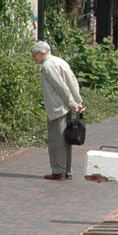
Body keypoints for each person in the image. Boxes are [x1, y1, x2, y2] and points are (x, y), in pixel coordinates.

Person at [32, 40, 83, 180]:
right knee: (67, 139)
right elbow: (73, 81)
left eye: (34, 55)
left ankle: (58, 171)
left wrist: (72, 103)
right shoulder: (60, 61)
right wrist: (77, 101)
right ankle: (67, 171)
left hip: (58, 107)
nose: (33, 58)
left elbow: (61, 87)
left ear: (42, 53)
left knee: (57, 141)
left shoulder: (48, 66)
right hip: (66, 106)